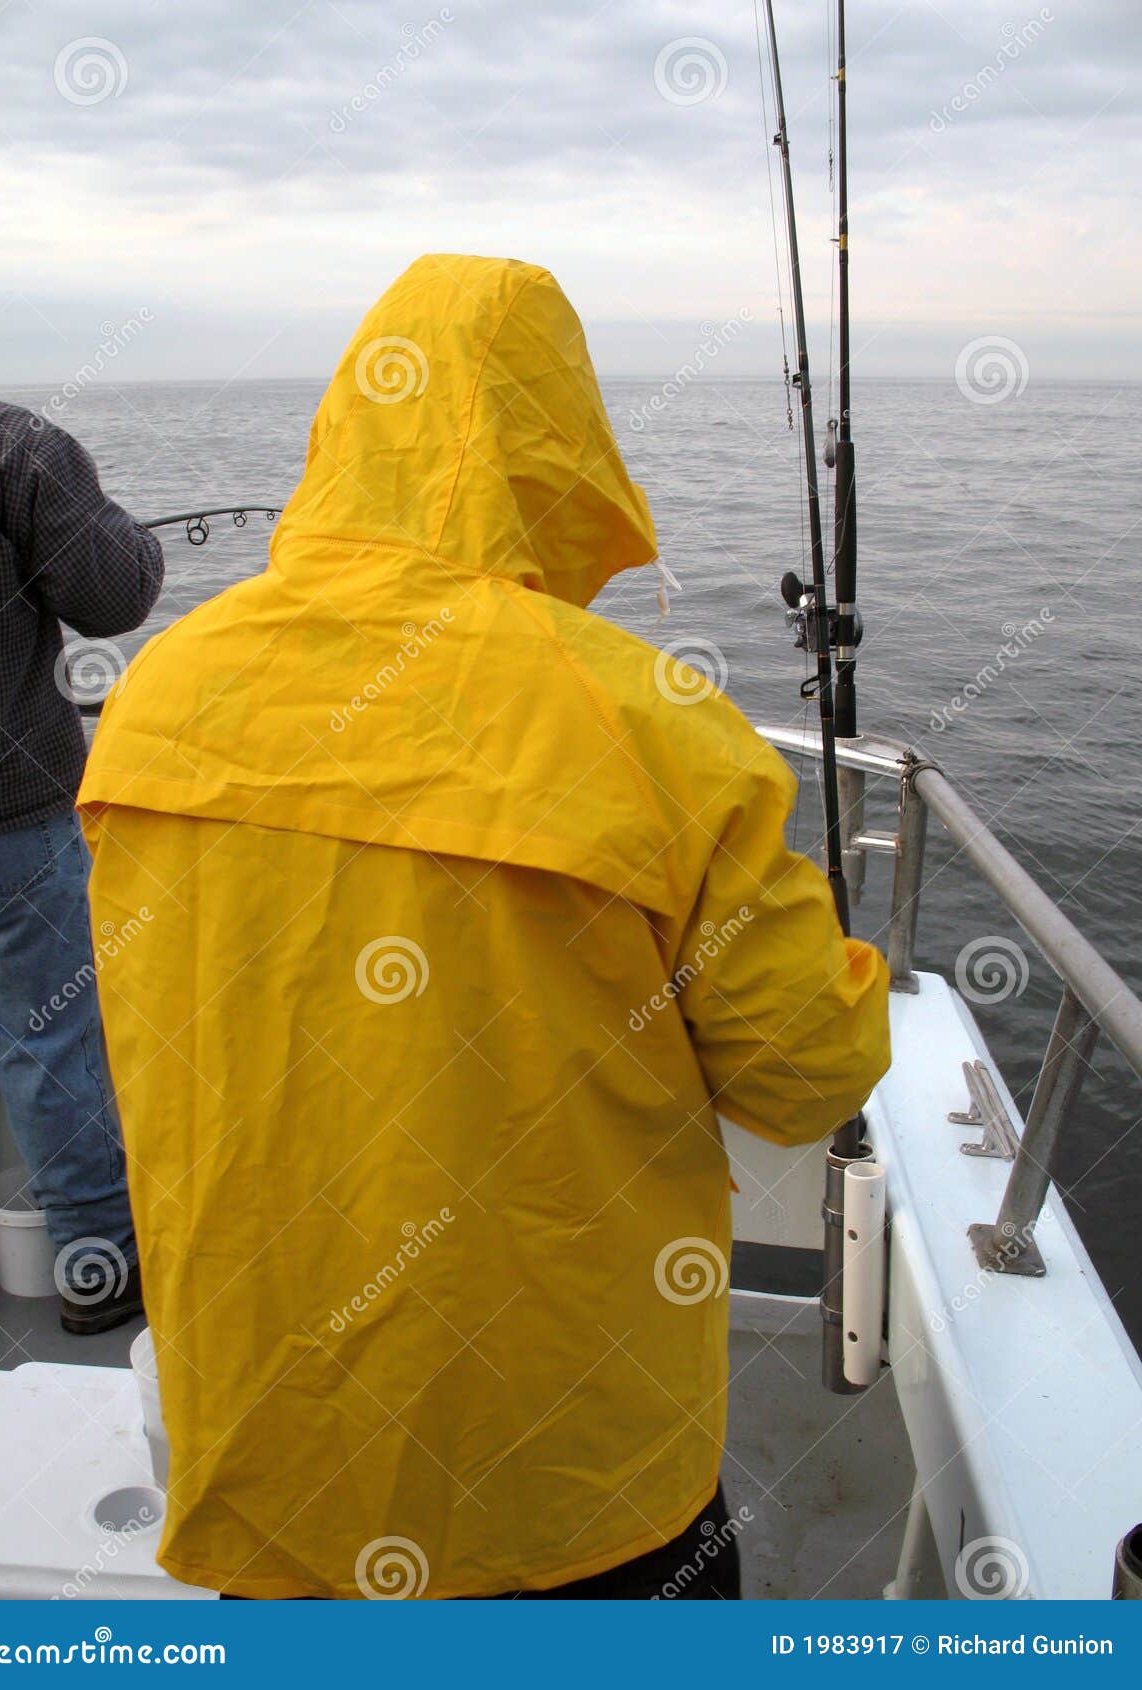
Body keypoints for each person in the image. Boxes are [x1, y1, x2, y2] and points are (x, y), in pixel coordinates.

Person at [79, 253, 890, 1598]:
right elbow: (807, 1076)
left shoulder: (162, 695)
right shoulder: (652, 724)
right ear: (559, 444)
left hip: (275, 1456)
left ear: (343, 426)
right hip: (572, 1474)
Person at [0, 252, 162, 1332]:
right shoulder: (13, 445)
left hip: (2, 820)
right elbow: (114, 593)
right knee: (50, 1042)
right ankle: (93, 1272)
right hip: (7, 818)